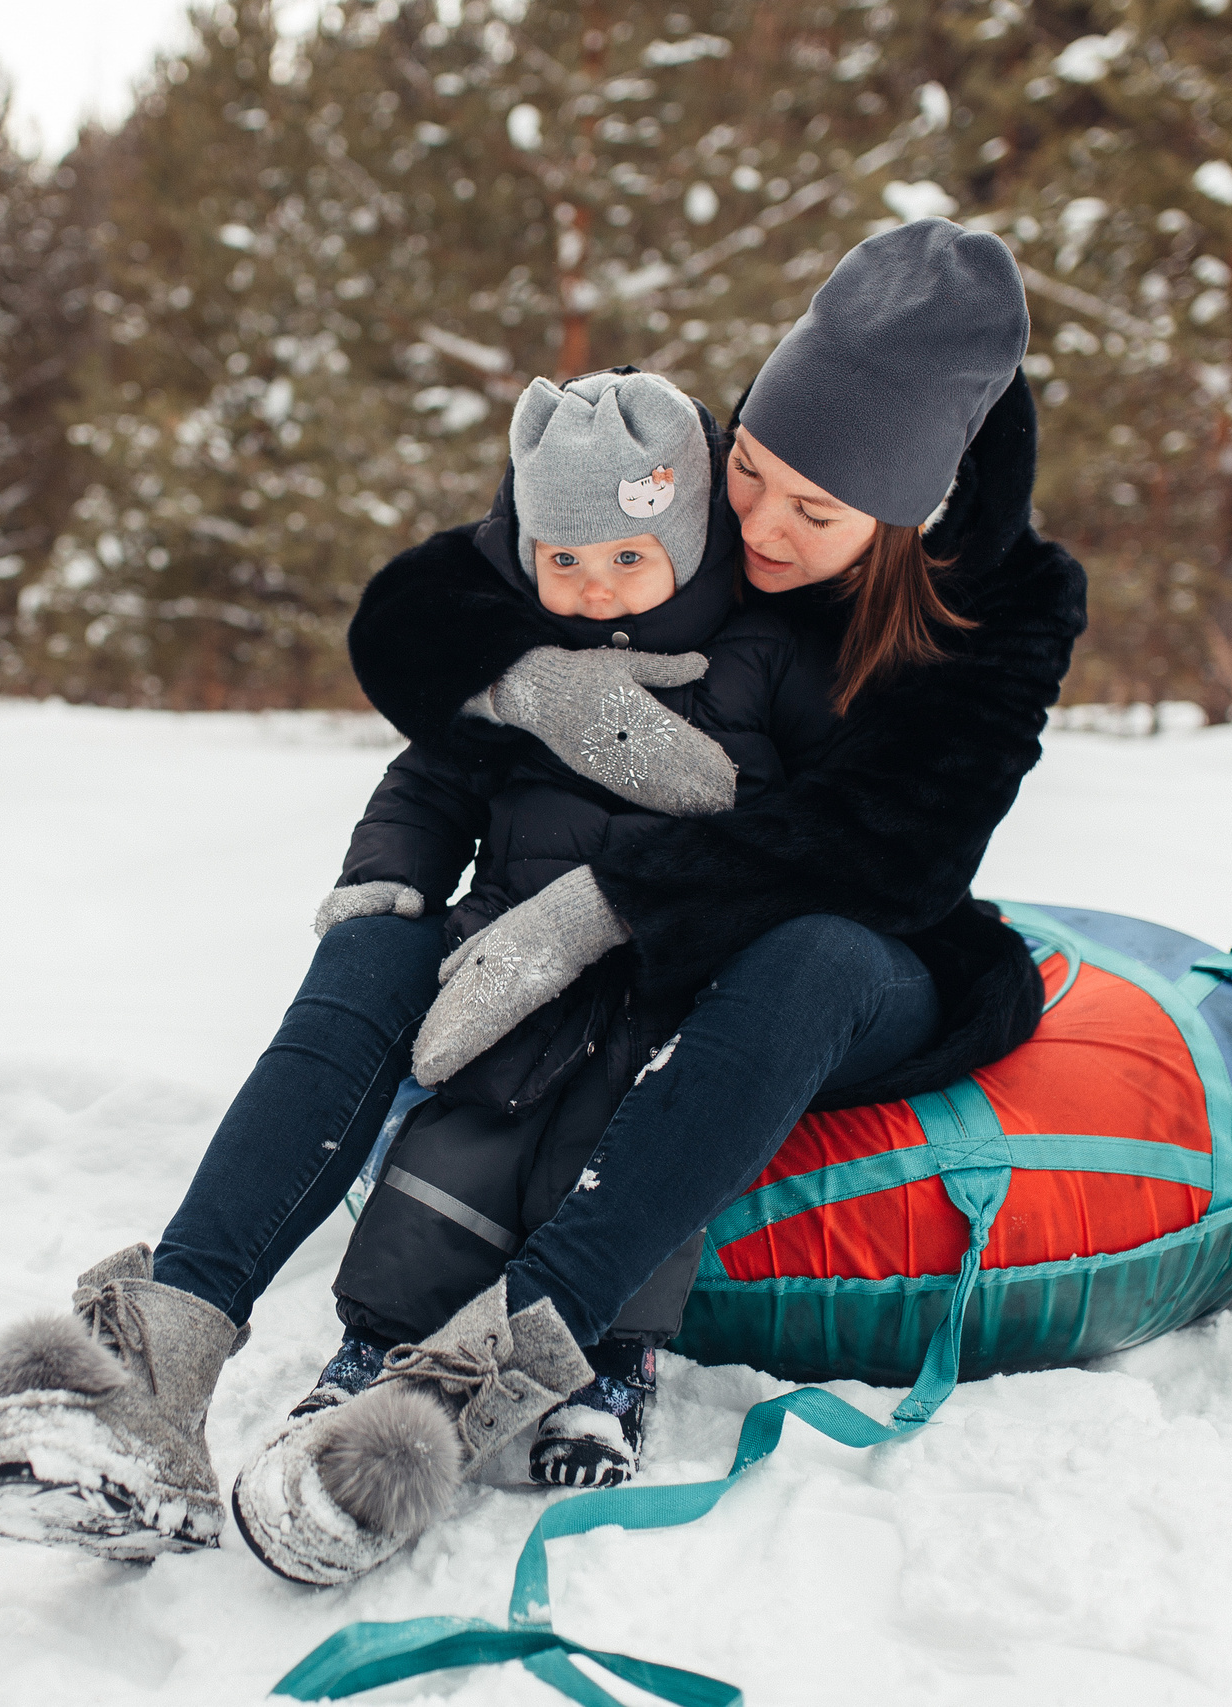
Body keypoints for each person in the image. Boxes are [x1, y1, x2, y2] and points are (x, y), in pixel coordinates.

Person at [0, 218, 1087, 1580]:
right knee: (384, 942)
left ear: (914, 509)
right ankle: (166, 1345)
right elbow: (422, 609)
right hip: (615, 888)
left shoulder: (1006, 603)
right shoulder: (695, 486)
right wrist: (530, 687)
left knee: (820, 951)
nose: (762, 526)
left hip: (864, 941)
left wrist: (607, 901)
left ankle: (489, 1362)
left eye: (815, 514)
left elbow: (897, 847)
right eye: (752, 473)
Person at [271, 367, 837, 1521]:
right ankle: (374, 1344)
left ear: (686, 540)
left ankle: (609, 1365)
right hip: (512, 954)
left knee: (619, 1144)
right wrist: (386, 878)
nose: (590, 590)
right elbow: (429, 783)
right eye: (562, 563)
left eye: (627, 558)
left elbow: (824, 803)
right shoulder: (515, 672)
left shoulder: (765, 656)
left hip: (670, 959)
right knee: (459, 1135)